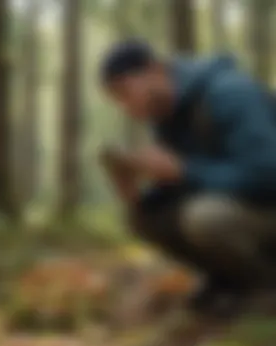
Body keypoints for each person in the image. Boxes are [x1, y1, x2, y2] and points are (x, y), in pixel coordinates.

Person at [99, 40, 276, 315]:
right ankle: (230, 280)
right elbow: (182, 187)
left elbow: (268, 175)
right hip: (248, 212)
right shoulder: (166, 119)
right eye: (117, 100)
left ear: (154, 71)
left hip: (266, 204)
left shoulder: (229, 93)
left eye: (125, 92)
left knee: (205, 218)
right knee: (145, 218)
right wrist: (134, 193)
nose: (126, 107)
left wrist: (184, 170)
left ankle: (266, 287)